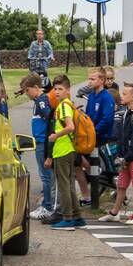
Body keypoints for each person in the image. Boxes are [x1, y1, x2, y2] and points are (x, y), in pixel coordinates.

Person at [101, 83, 133, 224]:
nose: (121, 96)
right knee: (121, 185)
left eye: (124, 94)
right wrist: (121, 156)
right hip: (124, 157)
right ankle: (115, 212)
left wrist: (127, 157)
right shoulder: (126, 113)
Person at [45, 75, 83, 230]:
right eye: (55, 89)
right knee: (70, 185)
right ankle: (76, 216)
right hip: (69, 148)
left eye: (60, 89)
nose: (57, 92)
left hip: (63, 149)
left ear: (68, 90)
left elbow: (70, 127)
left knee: (64, 186)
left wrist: (55, 136)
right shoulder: (69, 104)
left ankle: (67, 219)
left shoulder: (62, 106)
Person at [75, 66, 115, 206]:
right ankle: (87, 193)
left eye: (93, 79)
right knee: (76, 159)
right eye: (89, 79)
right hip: (90, 133)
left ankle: (95, 171)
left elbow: (107, 118)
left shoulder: (106, 97)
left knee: (78, 156)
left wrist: (93, 131)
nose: (90, 82)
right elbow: (89, 115)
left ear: (102, 80)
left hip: (100, 135)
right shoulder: (92, 95)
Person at [20, 74, 56, 220]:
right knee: (45, 175)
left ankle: (48, 206)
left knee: (46, 176)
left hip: (43, 142)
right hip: (40, 142)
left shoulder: (42, 101)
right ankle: (47, 203)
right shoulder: (38, 101)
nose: (27, 94)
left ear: (36, 87)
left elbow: (50, 119)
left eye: (27, 90)